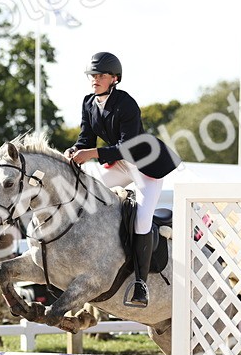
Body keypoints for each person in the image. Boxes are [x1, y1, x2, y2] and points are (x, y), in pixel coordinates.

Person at [66, 51, 180, 308]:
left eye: (100, 75)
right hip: (118, 165)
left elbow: (126, 146)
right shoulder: (88, 102)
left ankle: (140, 284)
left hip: (144, 167)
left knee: (141, 220)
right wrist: (75, 150)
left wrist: (92, 154)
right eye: (92, 75)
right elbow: (86, 138)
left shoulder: (126, 103)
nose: (94, 79)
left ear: (114, 78)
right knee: (86, 196)